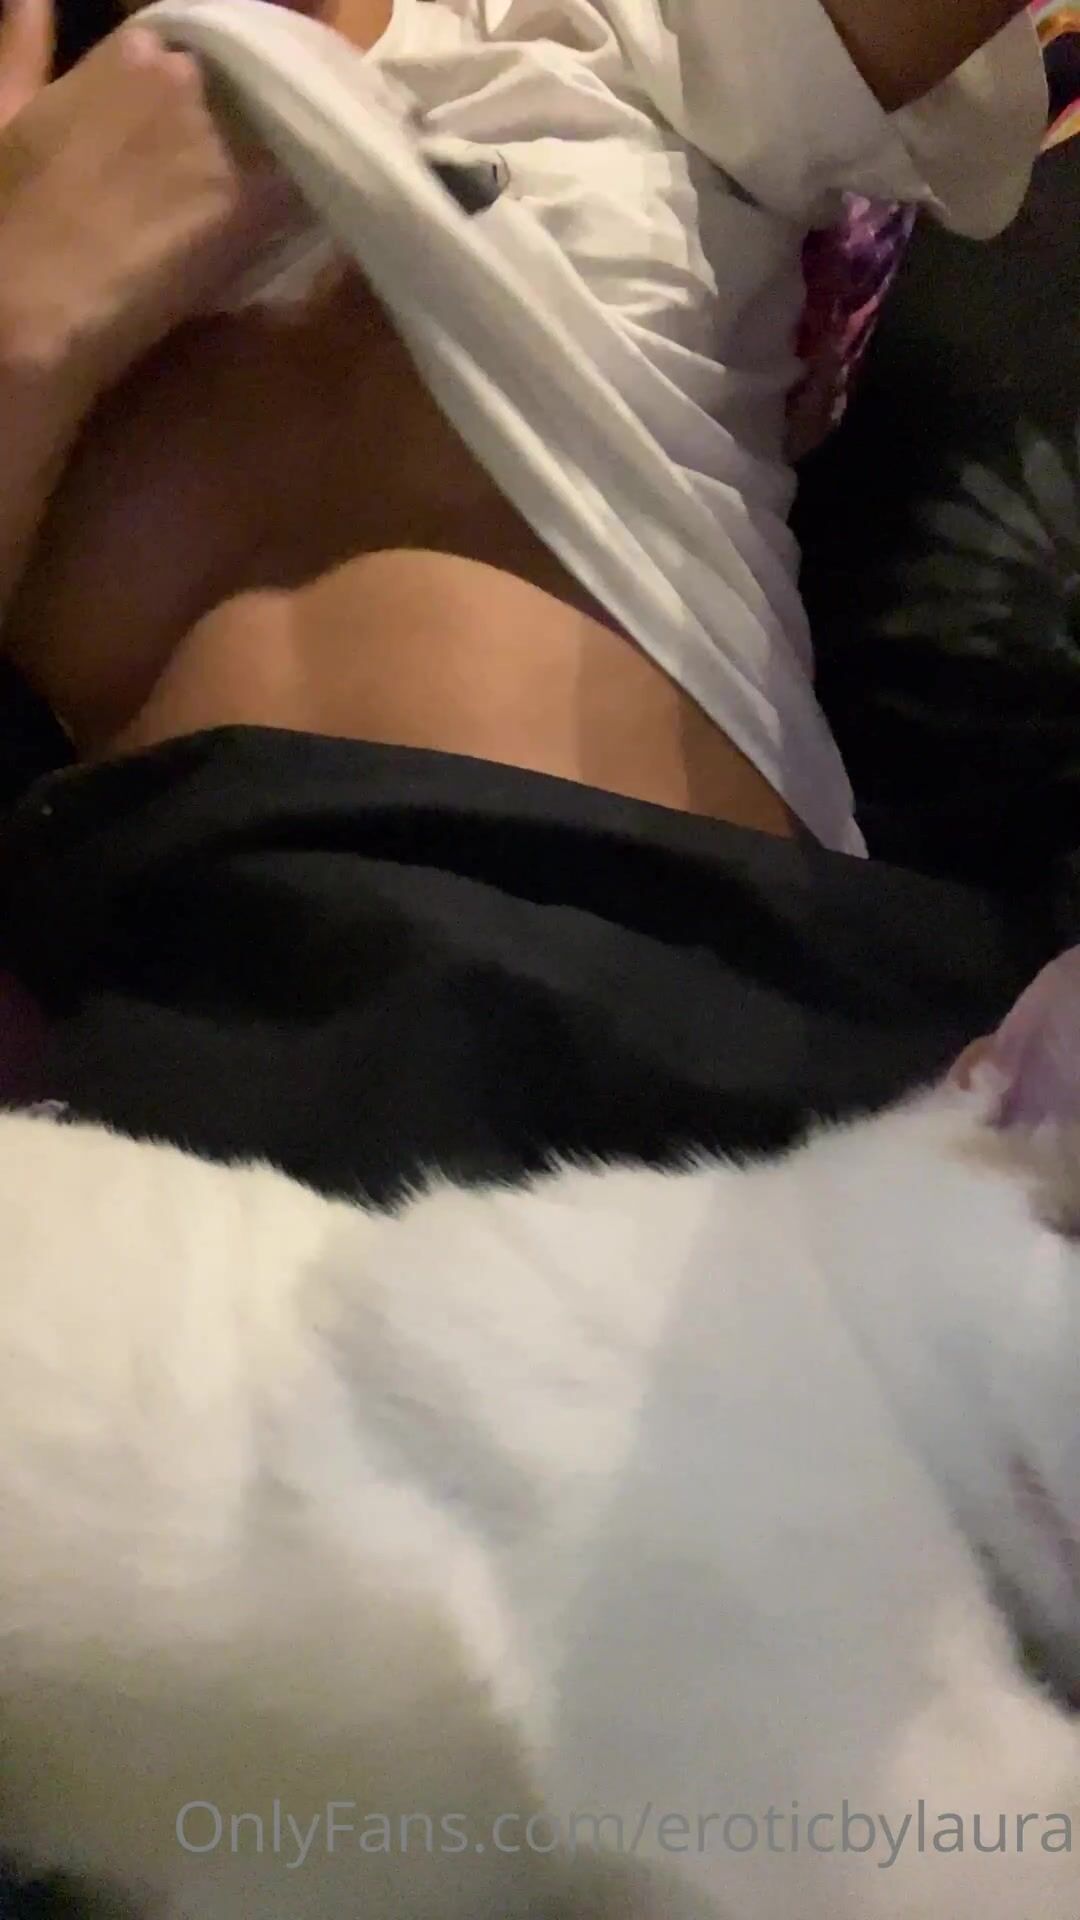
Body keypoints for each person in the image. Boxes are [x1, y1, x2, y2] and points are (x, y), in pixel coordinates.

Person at [0, 0, 1061, 1211]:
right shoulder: (46, 140)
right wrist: (22, 306)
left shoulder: (612, 22)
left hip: (647, 1001)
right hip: (176, 1088)